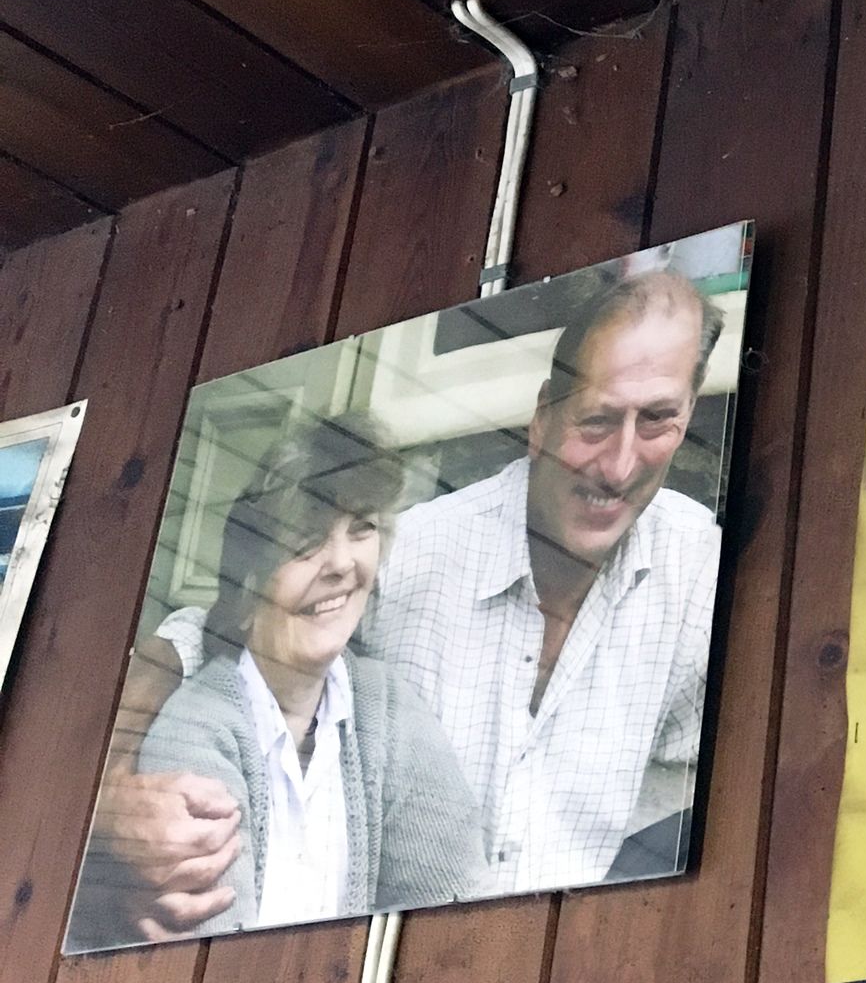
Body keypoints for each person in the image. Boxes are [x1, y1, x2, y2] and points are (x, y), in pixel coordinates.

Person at [82, 266, 724, 940]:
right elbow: (215, 633)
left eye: (657, 419)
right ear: (542, 418)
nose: (620, 466)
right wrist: (104, 804)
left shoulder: (698, 571)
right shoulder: (418, 551)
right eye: (595, 421)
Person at [80, 417, 485, 943]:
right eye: (307, 542)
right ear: (251, 578)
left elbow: (459, 920)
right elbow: (216, 959)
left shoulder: (390, 706)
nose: (341, 562)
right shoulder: (197, 726)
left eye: (362, 527)